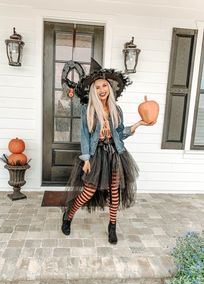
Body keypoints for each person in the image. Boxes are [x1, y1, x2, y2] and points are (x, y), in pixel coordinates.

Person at [61, 58, 155, 244]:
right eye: (97, 87)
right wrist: (86, 158)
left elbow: (119, 134)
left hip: (115, 155)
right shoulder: (87, 110)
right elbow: (84, 136)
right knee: (88, 191)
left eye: (105, 86)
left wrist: (139, 124)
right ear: (93, 91)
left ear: (110, 88)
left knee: (114, 192)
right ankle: (68, 215)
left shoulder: (116, 110)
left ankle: (112, 226)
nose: (102, 90)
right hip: (96, 155)